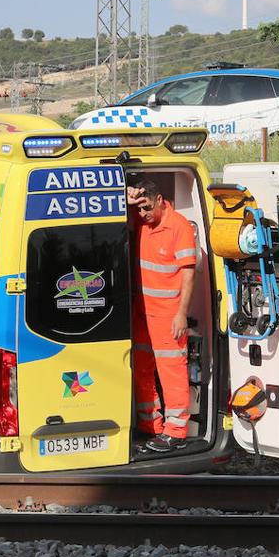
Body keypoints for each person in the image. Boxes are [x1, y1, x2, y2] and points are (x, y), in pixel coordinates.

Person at [125, 176, 198, 453]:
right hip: (142, 311)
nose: (142, 214)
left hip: (168, 316)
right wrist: (128, 195)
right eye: (139, 208)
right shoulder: (142, 219)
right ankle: (151, 426)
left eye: (146, 208)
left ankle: (176, 430)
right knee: (142, 368)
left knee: (171, 372)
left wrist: (182, 314)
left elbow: (188, 275)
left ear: (159, 201)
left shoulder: (178, 226)